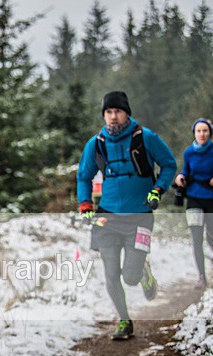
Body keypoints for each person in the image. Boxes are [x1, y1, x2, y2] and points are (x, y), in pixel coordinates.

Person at [76, 91, 177, 340]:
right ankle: (124, 320)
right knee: (111, 273)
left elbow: (169, 165)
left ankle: (143, 273)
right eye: (108, 112)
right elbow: (83, 176)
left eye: (117, 112)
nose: (112, 117)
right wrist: (85, 203)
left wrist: (157, 190)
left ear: (126, 113)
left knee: (129, 277)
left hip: (140, 216)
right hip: (107, 217)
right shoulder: (96, 143)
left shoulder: (146, 138)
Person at [174, 119, 213, 287]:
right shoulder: (189, 152)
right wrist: (181, 177)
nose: (202, 134)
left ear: (210, 133)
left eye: (205, 131)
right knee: (196, 238)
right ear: (194, 133)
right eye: (198, 131)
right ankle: (201, 276)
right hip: (194, 198)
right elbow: (186, 170)